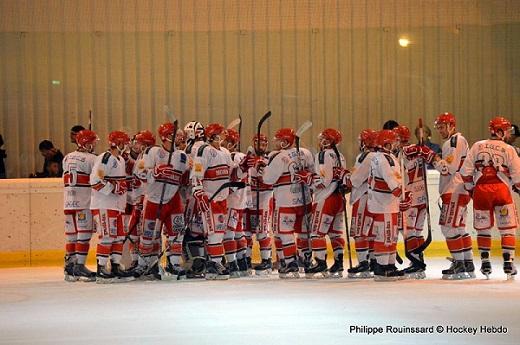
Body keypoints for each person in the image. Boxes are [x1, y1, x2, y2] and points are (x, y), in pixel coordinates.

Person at [460, 116, 520, 279]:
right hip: (501, 190)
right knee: (507, 228)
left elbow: (465, 173)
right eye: (506, 130)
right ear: (500, 131)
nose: (508, 134)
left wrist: (471, 189)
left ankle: (485, 263)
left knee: (483, 227)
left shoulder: (478, 145)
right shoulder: (509, 149)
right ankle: (508, 262)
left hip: (481, 190)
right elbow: (518, 177)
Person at [417, 112, 475, 279]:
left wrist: (432, 157)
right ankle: (466, 262)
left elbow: (448, 168)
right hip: (459, 189)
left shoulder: (454, 141)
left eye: (442, 127)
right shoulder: (453, 141)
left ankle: (459, 264)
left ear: (451, 125)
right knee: (458, 228)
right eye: (439, 128)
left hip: (455, 189)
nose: (440, 130)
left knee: (448, 227)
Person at [259, 128, 315, 278]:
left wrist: (262, 170)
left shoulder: (280, 156)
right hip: (305, 200)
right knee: (304, 233)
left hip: (285, 201)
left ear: (284, 142)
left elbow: (268, 179)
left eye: (278, 140)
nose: (275, 142)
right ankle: (306, 262)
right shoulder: (306, 153)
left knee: (285, 233)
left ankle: (291, 263)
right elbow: (313, 173)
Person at [90, 130, 134, 283]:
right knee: (107, 236)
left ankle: (115, 266)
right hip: (104, 205)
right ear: (118, 143)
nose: (127, 146)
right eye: (125, 143)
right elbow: (95, 180)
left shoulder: (120, 159)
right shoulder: (105, 158)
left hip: (118, 206)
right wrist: (113, 188)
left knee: (119, 237)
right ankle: (101, 268)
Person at [191, 123, 233, 280]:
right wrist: (199, 193)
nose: (223, 136)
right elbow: (196, 174)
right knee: (214, 232)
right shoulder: (204, 151)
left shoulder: (225, 152)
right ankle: (214, 264)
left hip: (222, 199)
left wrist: (243, 166)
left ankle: (213, 262)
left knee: (219, 232)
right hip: (210, 198)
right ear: (214, 135)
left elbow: (232, 171)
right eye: (220, 134)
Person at [368, 130, 411, 281]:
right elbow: (391, 180)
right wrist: (401, 194)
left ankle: (390, 265)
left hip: (389, 203)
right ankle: (382, 268)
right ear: (386, 143)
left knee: (391, 235)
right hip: (382, 204)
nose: (396, 144)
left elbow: (398, 180)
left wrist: (405, 196)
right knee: (385, 235)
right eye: (394, 141)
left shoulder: (389, 157)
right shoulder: (382, 158)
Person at [305, 128, 347, 278]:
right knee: (335, 234)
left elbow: (323, 181)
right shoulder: (340, 155)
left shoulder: (322, 155)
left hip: (326, 198)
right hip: (338, 199)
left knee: (317, 233)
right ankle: (338, 264)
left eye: (322, 138)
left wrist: (308, 179)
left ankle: (320, 263)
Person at [62, 129, 98, 282]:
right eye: (92, 142)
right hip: (84, 203)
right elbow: (96, 180)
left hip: (68, 203)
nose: (94, 145)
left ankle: (70, 267)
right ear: (86, 143)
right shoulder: (92, 159)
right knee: (83, 236)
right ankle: (80, 266)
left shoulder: (66, 157)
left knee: (72, 237)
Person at [347, 129, 378, 278]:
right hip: (374, 198)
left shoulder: (366, 156)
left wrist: (346, 179)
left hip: (363, 196)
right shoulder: (379, 155)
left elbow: (356, 178)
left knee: (359, 231)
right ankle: (373, 261)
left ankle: (363, 264)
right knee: (371, 232)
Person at [242, 133, 274, 275]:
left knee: (262, 231)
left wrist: (264, 174)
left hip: (264, 200)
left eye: (263, 144)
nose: (261, 147)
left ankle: (266, 261)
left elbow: (271, 180)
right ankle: (246, 259)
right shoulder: (246, 158)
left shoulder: (270, 160)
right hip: (248, 200)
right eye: (259, 144)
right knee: (247, 232)